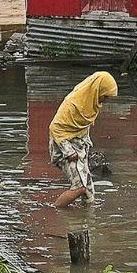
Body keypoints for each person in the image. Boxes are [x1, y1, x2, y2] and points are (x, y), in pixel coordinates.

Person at [48, 71, 118, 208]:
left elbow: (81, 127)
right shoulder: (73, 104)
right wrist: (68, 152)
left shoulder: (90, 101)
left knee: (88, 193)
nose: (105, 100)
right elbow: (55, 128)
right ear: (98, 90)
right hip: (64, 147)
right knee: (79, 187)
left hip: (79, 147)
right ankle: (54, 210)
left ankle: (86, 221)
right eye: (105, 96)